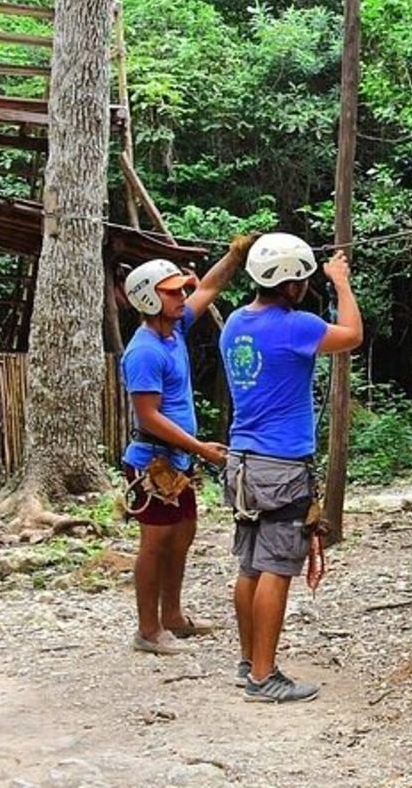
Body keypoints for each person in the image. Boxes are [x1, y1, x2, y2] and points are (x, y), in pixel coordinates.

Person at [220, 232, 363, 703]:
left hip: (241, 462)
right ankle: (264, 676)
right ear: (292, 284)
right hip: (281, 466)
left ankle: (248, 662)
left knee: (249, 565)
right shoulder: (296, 326)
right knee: (277, 568)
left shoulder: (235, 325)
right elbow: (353, 336)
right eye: (302, 279)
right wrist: (340, 282)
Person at [120, 240, 252, 656]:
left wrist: (235, 255)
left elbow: (208, 288)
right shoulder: (143, 350)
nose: (182, 297)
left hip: (177, 462)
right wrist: (199, 446)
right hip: (151, 462)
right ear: (148, 298)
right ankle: (147, 630)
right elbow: (149, 416)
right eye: (172, 291)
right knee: (155, 544)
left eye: (180, 291)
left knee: (181, 538)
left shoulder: (173, 331)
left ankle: (173, 617)